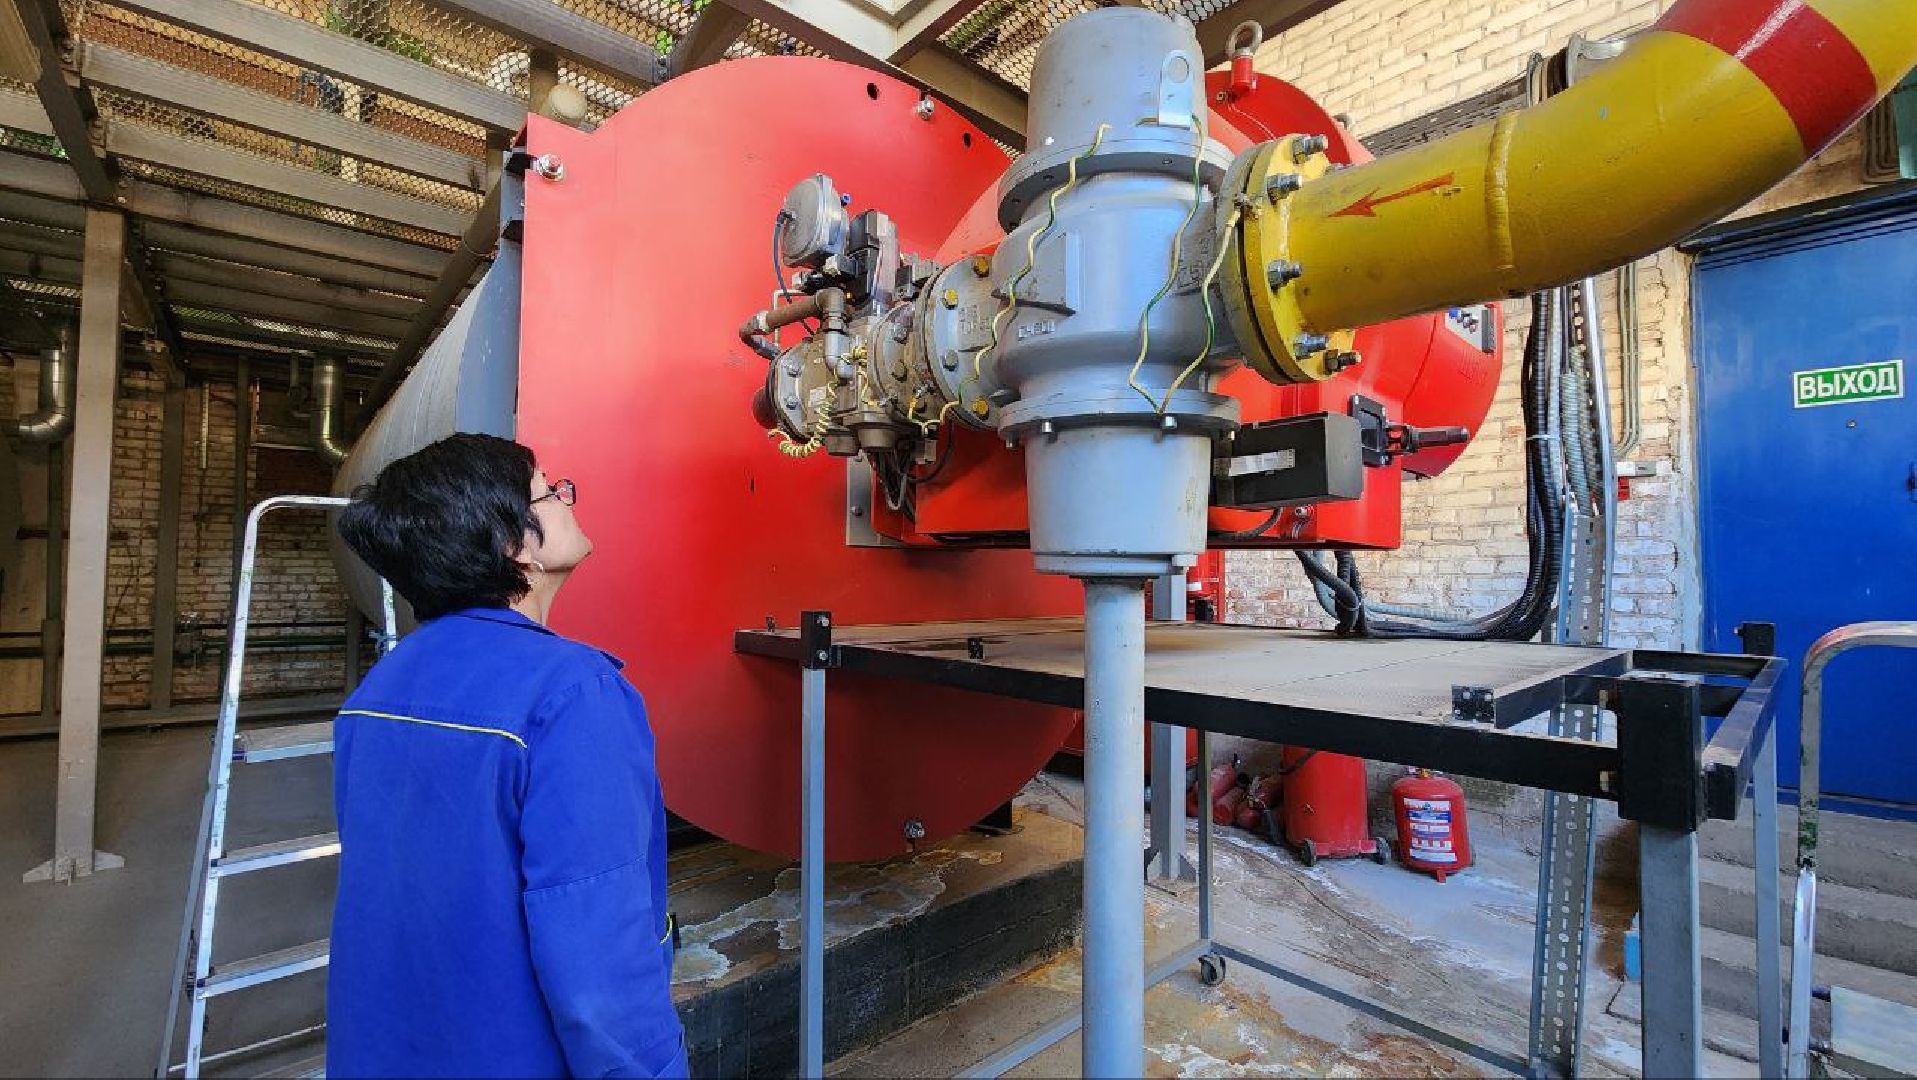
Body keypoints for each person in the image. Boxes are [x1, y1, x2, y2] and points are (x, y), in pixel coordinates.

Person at [327, 433, 685, 1078]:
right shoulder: (573, 694)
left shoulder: (379, 689)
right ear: (513, 546)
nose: (568, 500)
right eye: (551, 492)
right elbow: (598, 964)